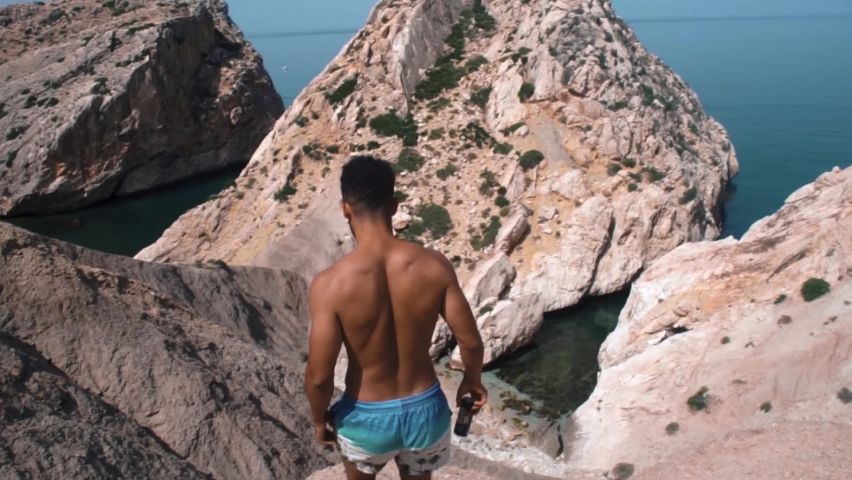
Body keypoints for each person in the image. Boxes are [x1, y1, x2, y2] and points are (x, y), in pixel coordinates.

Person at [304, 155, 487, 479]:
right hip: (426, 411)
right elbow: (470, 342)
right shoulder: (434, 265)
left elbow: (320, 376)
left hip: (364, 417)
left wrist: (320, 420)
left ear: (345, 208)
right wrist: (471, 381)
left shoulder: (330, 285)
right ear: (394, 205)